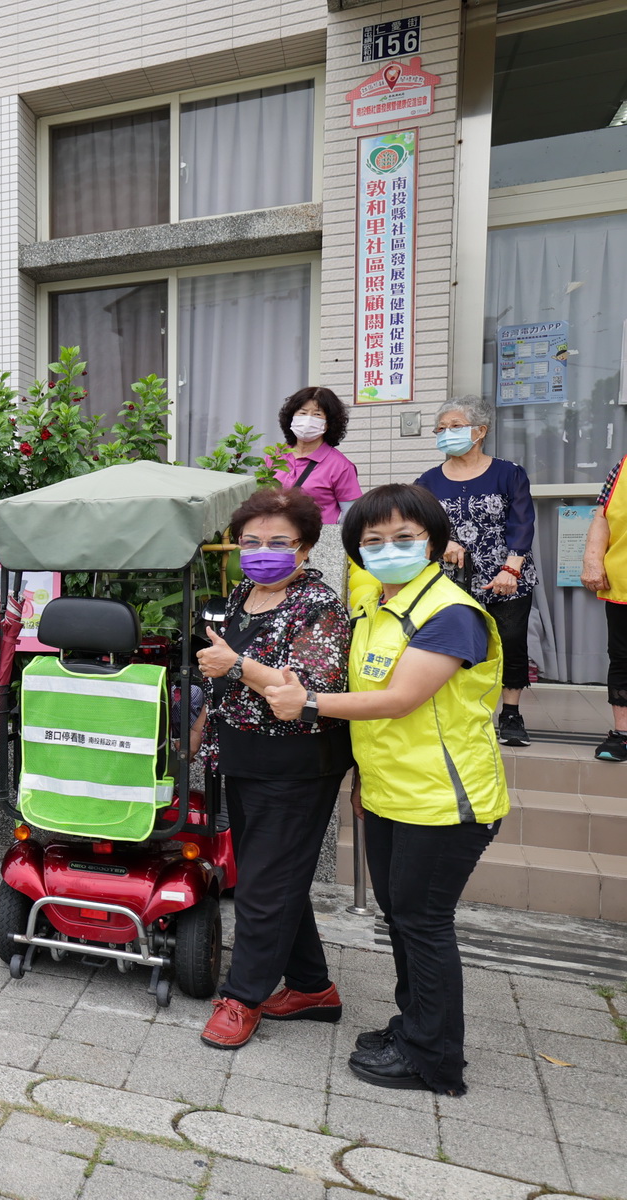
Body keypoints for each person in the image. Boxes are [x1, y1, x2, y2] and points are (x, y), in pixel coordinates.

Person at [267, 483, 508, 1096]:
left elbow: (400, 700)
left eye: (404, 538)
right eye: (372, 541)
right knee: (401, 920)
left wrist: (308, 702)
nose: (388, 549)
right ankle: (413, 1029)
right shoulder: (376, 610)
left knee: (423, 923)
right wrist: (360, 781)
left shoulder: (450, 612)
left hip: (445, 802)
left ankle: (434, 1060)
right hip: (391, 794)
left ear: (433, 542)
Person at [192, 489, 354, 1049]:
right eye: (251, 541)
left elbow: (314, 689)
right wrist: (202, 722)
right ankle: (311, 987)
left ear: (305, 547)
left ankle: (243, 997)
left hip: (298, 763)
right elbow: (218, 673)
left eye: (278, 542)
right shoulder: (242, 593)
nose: (263, 552)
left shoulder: (319, 606)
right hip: (243, 755)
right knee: (274, 876)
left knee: (262, 883)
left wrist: (239, 666)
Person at [416, 395, 537, 747]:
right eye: (441, 429)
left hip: (505, 575)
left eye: (455, 426)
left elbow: (522, 522)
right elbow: (416, 524)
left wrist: (511, 570)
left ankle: (510, 714)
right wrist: (441, 543)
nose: (446, 433)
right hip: (450, 580)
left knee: (511, 643)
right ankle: (459, 711)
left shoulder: (509, 473)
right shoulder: (427, 481)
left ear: (479, 431)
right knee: (455, 644)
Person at [582, 458, 627, 760]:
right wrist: (592, 558)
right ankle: (623, 735)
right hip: (624, 580)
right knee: (623, 658)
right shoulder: (622, 467)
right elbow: (602, 516)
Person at [274, 386, 362, 523]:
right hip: (278, 540)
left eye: (317, 414)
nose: (308, 420)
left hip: (319, 541)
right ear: (291, 418)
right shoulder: (276, 456)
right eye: (302, 413)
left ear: (328, 424)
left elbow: (351, 515)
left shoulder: (340, 466)